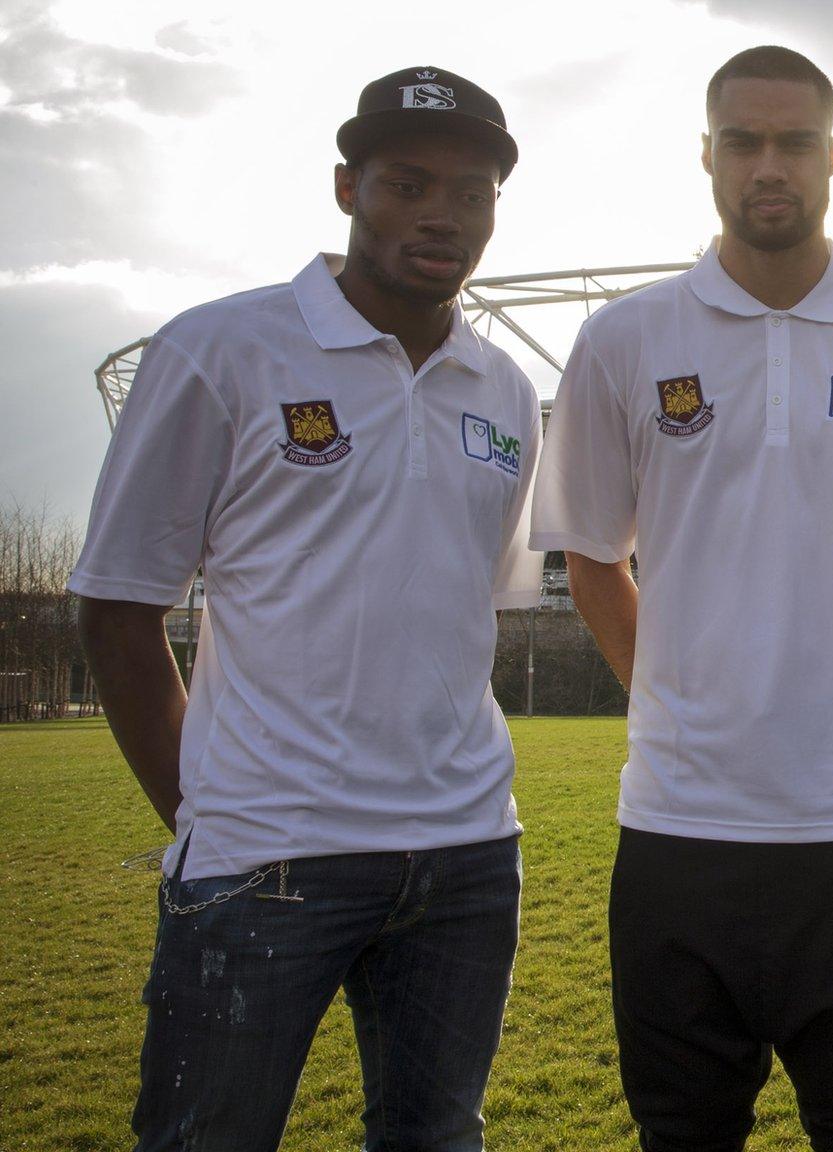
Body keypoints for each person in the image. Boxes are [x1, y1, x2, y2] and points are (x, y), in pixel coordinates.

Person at [69, 66, 539, 1150]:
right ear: (346, 188)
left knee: (439, 1138)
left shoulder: (505, 388)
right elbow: (117, 609)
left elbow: (476, 601)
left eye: (471, 194)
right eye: (407, 184)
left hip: (468, 854)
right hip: (267, 857)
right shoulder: (221, 348)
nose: (441, 216)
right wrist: (207, 810)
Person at [529, 45, 833, 1152]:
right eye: (742, 141)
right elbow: (590, 553)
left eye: (791, 142)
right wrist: (669, 698)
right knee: (681, 1134)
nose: (765, 165)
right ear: (706, 156)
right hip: (678, 829)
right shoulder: (623, 339)